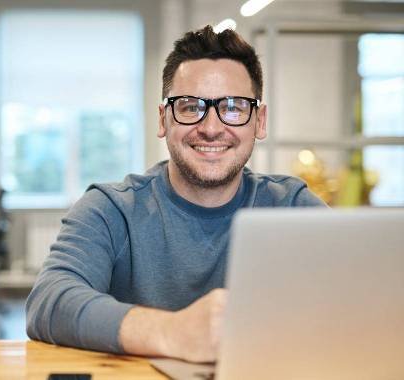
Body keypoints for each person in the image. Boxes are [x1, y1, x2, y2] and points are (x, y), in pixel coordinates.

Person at [25, 25, 326, 363]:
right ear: (163, 118)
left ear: (259, 120)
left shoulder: (292, 208)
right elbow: (50, 302)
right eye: (189, 106)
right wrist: (172, 332)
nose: (211, 128)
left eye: (233, 107)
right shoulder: (111, 209)